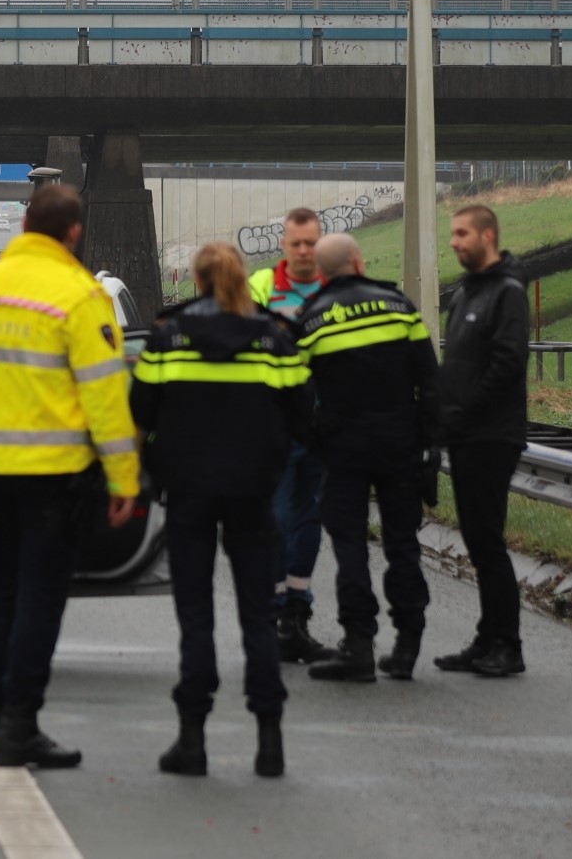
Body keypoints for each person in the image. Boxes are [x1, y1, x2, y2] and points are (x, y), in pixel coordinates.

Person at [0, 184, 140, 770]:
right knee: (40, 600)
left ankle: (2, 712)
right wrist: (124, 476)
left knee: (1, 594)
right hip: (54, 475)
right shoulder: (79, 296)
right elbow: (105, 397)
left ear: (25, 222)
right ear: (74, 233)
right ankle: (20, 723)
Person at [133, 242, 313, 780]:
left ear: (197, 279)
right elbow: (303, 416)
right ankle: (269, 742)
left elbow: (138, 410)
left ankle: (192, 740)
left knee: (196, 618)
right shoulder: (274, 339)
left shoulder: (168, 335)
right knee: (258, 615)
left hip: (188, 494)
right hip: (254, 494)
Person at [295, 234, 439, 682]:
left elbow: (298, 397)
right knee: (402, 544)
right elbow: (431, 383)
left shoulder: (312, 319)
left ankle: (358, 646)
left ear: (321, 272)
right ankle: (408, 644)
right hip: (400, 444)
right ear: (359, 262)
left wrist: (319, 446)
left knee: (350, 546)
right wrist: (431, 450)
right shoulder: (399, 307)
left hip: (344, 448)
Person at [435, 203, 532, 677]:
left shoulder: (507, 293)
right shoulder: (466, 293)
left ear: (488, 235)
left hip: (492, 435)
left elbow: (507, 364)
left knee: (487, 541)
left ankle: (507, 646)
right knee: (476, 539)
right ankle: (486, 638)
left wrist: (461, 411)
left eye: (461, 233)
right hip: (466, 433)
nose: (453, 242)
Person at [250, 208, 334, 665]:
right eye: (296, 243)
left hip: (322, 426)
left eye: (310, 243)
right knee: (276, 521)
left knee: (309, 521)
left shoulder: (335, 285)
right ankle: (273, 613)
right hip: (275, 426)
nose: (304, 251)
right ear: (283, 244)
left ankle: (296, 614)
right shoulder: (262, 287)